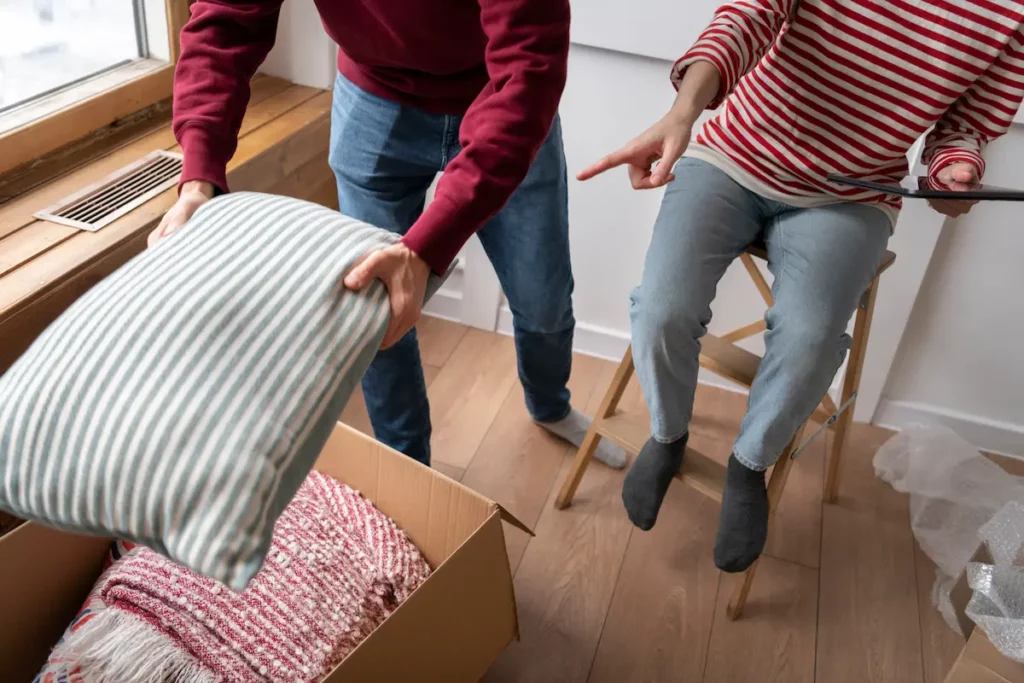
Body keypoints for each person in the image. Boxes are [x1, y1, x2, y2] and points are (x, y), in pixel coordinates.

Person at [580, 0, 1024, 572]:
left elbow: (964, 126)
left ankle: (750, 463)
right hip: (734, 156)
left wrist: (954, 175)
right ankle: (667, 437)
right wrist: (684, 111)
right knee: (662, 308)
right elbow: (749, 15)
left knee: (811, 338)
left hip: (851, 194)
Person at [151, 0, 627, 470]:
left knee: (543, 297)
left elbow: (529, 68)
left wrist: (425, 250)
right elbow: (223, 21)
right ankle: (407, 468)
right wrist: (199, 178)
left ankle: (549, 405)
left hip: (500, 97)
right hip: (371, 100)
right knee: (371, 310)